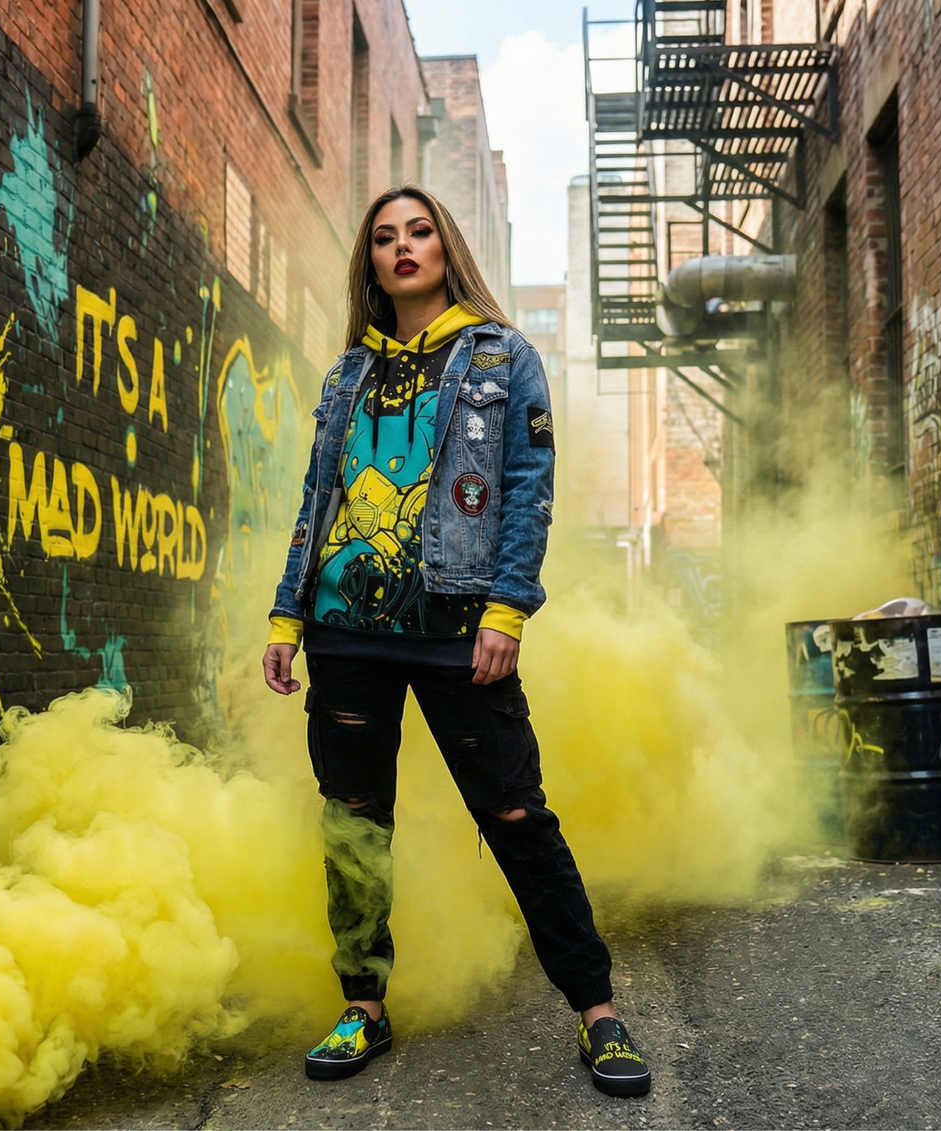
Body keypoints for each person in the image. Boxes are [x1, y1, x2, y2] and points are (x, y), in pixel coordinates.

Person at [262, 185, 651, 1097]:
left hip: (454, 625)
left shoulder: (501, 356)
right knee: (354, 824)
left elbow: (527, 485)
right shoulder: (347, 372)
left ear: (446, 247)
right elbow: (316, 500)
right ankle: (363, 1003)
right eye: (385, 237)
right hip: (344, 629)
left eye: (420, 231)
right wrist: (287, 617)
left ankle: (599, 1013)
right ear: (370, 261)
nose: (404, 247)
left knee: (517, 815)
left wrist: (508, 607)